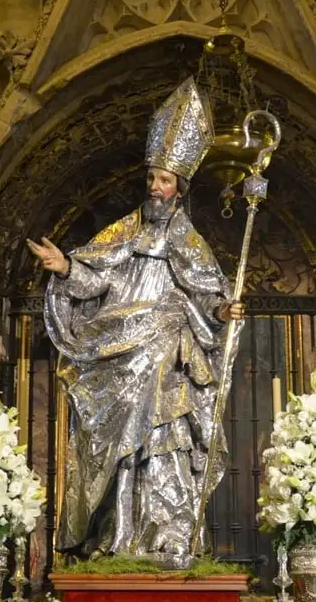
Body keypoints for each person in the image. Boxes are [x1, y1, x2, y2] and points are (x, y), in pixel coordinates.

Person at [27, 78, 244, 567]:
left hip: (169, 354)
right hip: (121, 357)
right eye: (151, 179)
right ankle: (118, 534)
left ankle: (167, 535)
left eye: (164, 180)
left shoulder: (188, 241)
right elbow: (96, 278)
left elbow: (208, 293)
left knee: (165, 440)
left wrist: (221, 311)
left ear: (180, 190)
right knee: (117, 447)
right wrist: (67, 269)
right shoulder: (126, 230)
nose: (155, 187)